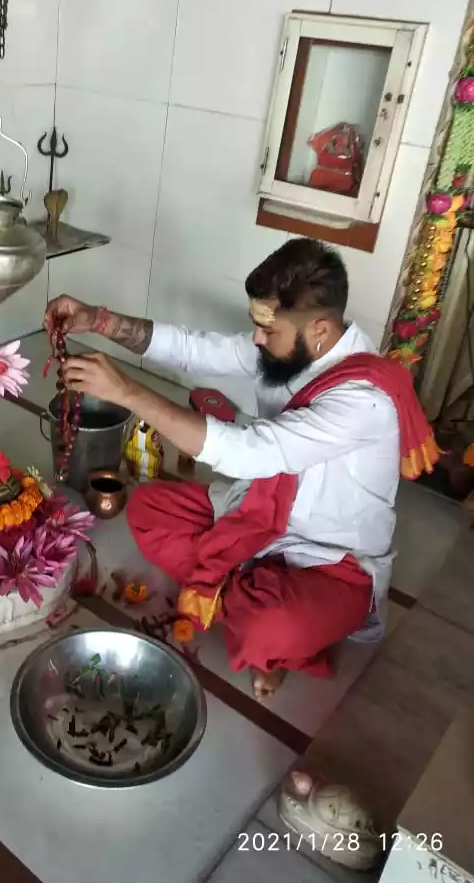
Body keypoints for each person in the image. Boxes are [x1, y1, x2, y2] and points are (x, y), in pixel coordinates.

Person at [44, 238, 437, 700]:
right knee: (149, 508)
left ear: (320, 330)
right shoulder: (289, 350)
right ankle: (241, 590)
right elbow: (192, 350)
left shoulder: (362, 401)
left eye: (268, 330)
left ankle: (258, 613)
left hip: (329, 558)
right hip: (257, 513)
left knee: (270, 627)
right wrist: (97, 320)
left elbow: (248, 452)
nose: (256, 340)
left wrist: (128, 392)